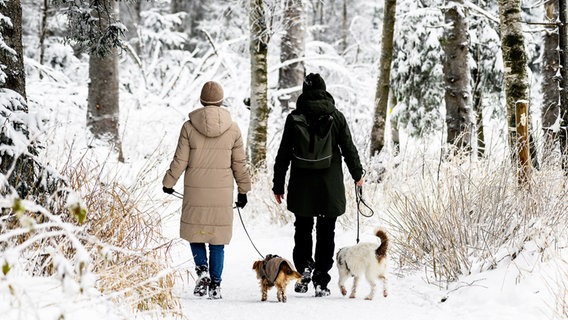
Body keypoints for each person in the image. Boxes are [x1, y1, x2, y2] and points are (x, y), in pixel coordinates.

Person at [272, 73, 363, 297]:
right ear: (324, 90)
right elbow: (348, 148)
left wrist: (278, 184)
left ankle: (304, 268)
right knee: (326, 231)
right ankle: (322, 280)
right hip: (328, 185)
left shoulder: (294, 118)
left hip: (302, 184)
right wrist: (357, 174)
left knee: (302, 228)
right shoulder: (336, 117)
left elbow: (283, 154)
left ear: (304, 92)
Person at [162, 80, 251, 300]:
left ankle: (202, 271)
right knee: (217, 239)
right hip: (221, 193)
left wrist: (168, 183)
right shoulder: (233, 128)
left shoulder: (189, 126)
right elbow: (240, 164)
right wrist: (243, 190)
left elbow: (179, 160)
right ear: (221, 101)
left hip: (196, 192)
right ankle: (216, 285)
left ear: (202, 100)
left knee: (196, 233)